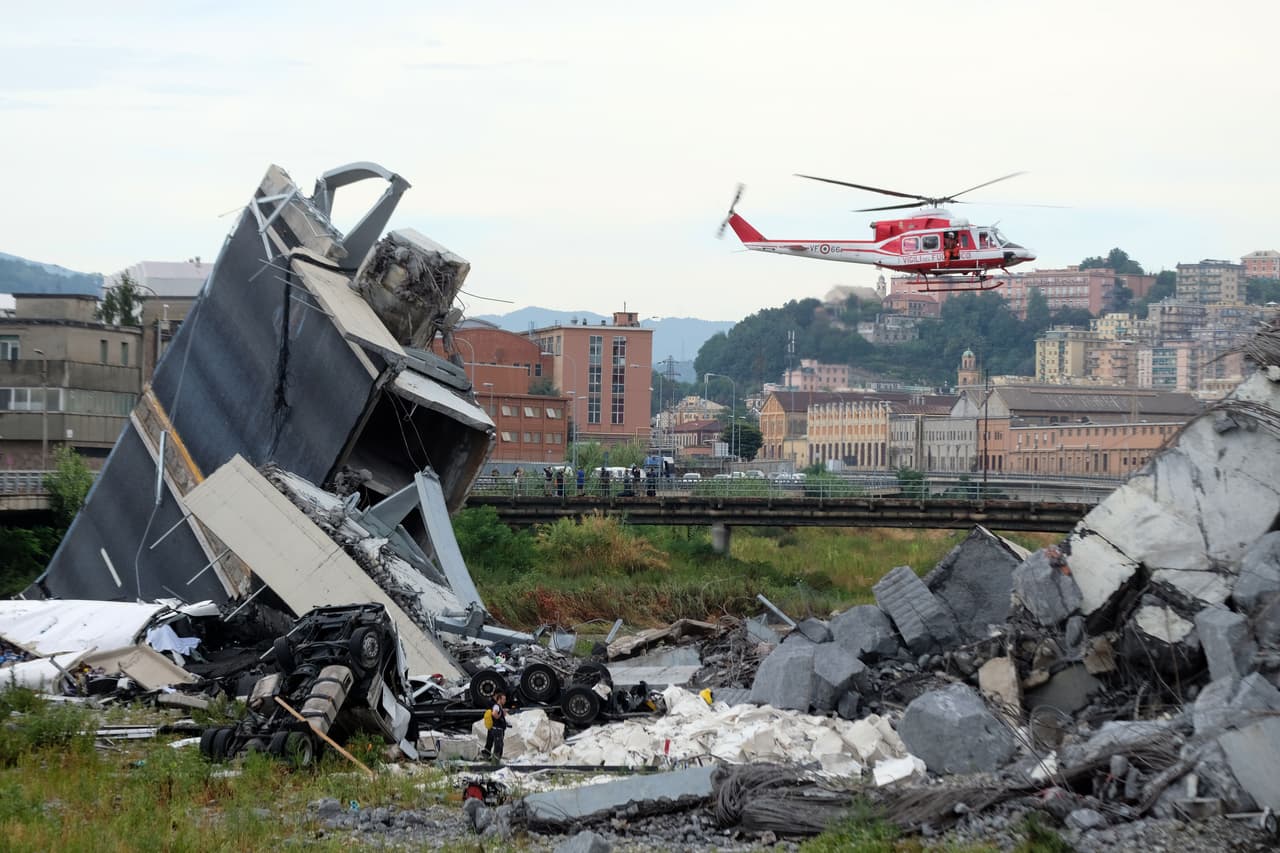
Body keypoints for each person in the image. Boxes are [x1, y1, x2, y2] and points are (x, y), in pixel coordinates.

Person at [481, 691, 509, 761]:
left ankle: (488, 757)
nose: (505, 701)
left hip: (497, 728)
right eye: (504, 699)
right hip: (497, 729)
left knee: (491, 743)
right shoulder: (496, 706)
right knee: (498, 746)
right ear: (499, 699)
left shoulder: (499, 707)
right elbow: (494, 714)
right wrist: (499, 715)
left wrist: (502, 713)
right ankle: (495, 760)